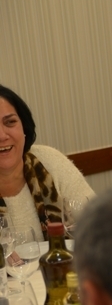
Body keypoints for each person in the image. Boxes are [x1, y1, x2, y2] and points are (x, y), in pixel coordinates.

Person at [0, 84, 95, 240]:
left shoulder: (48, 159)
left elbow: (98, 220)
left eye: (10, 122)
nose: (2, 136)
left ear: (24, 127)